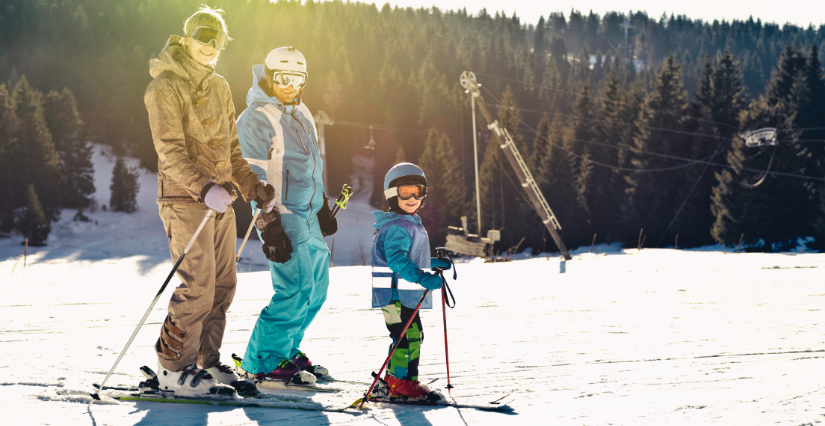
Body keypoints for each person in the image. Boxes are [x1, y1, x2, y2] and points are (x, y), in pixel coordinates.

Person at [144, 6, 276, 397]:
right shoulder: (164, 86)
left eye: (216, 39)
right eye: (202, 36)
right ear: (186, 38)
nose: (208, 45)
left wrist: (253, 187)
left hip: (221, 200)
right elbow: (169, 151)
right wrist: (203, 188)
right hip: (185, 199)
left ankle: (205, 361)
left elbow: (233, 152)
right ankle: (172, 368)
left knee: (223, 284)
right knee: (198, 284)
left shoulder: (219, 86)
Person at [235, 47, 338, 385]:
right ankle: (263, 360)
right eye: (283, 78)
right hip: (282, 215)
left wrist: (322, 204)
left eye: (298, 79)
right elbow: (252, 179)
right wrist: (269, 226)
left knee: (317, 289)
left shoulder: (303, 112)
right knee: (295, 289)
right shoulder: (255, 118)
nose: (291, 86)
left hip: (308, 213)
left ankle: (287, 348)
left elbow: (311, 167)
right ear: (268, 77)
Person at [370, 163, 450, 400]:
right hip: (394, 297)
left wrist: (431, 262)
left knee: (408, 335)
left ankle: (396, 379)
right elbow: (397, 262)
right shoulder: (397, 227)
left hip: (401, 296)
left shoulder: (407, 223)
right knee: (408, 336)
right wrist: (423, 277)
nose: (413, 197)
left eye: (418, 190)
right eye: (406, 192)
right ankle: (401, 383)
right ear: (392, 195)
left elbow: (411, 257)